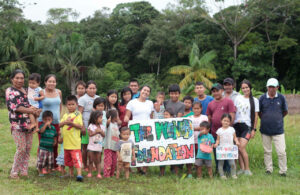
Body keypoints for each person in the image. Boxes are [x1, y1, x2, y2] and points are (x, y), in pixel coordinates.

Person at [6, 69, 40, 179]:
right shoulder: (10, 91)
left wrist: (35, 110)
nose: (20, 80)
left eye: (21, 78)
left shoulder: (25, 91)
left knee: (28, 148)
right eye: (17, 78)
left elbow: (28, 105)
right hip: (17, 125)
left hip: (29, 124)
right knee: (21, 148)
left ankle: (24, 170)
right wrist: (31, 111)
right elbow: (16, 107)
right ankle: (14, 172)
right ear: (12, 79)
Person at [259, 78, 288, 176]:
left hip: (278, 130)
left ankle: (283, 171)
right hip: (265, 130)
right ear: (267, 87)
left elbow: (285, 111)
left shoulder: (281, 98)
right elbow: (259, 113)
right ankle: (269, 169)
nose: (271, 89)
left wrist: (277, 119)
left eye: (273, 87)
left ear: (277, 87)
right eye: (270, 87)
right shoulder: (262, 98)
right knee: (267, 151)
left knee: (281, 152)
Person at [206, 83, 235, 173]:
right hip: (215, 133)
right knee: (217, 153)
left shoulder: (228, 101)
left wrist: (228, 130)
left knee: (227, 152)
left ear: (222, 91)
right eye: (213, 91)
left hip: (227, 133)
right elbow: (209, 118)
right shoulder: (210, 104)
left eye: (217, 91)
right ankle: (219, 171)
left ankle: (228, 171)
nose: (215, 93)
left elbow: (232, 116)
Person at [124, 85, 154, 174]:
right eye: (144, 90)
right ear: (140, 91)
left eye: (148, 91)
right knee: (136, 148)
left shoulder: (150, 103)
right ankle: (138, 168)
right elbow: (127, 115)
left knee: (147, 148)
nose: (145, 92)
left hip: (147, 130)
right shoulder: (132, 102)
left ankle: (145, 169)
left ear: (149, 94)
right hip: (136, 130)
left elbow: (151, 117)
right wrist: (125, 119)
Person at [234, 80, 259, 176]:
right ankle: (242, 169)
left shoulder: (255, 100)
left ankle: (248, 169)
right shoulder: (238, 98)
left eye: (246, 87)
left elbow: (256, 116)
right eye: (243, 88)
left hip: (247, 126)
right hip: (237, 125)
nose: (245, 89)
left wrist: (253, 129)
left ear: (250, 88)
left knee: (241, 147)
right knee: (238, 147)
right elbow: (234, 111)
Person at [38, 74, 62, 168]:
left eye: (54, 81)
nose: (52, 83)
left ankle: (54, 165)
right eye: (50, 81)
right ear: (45, 82)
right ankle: (41, 165)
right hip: (43, 122)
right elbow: (36, 104)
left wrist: (59, 118)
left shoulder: (59, 92)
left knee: (54, 143)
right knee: (43, 143)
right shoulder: (41, 92)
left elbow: (60, 105)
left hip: (56, 122)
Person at [59, 95, 84, 182]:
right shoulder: (65, 115)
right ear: (66, 105)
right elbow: (60, 124)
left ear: (76, 104)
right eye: (69, 104)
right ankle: (70, 173)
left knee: (77, 159)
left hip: (75, 144)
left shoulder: (78, 114)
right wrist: (65, 122)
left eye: (72, 104)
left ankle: (79, 174)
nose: (70, 106)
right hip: (66, 144)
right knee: (68, 160)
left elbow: (80, 126)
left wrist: (72, 124)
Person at [163, 84, 185, 174]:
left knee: (176, 147)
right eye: (172, 93)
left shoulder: (182, 105)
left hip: (176, 129)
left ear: (179, 94)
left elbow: (178, 119)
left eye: (176, 93)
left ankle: (176, 167)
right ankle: (168, 167)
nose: (174, 95)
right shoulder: (166, 102)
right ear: (169, 94)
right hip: (166, 129)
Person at [78, 80, 99, 171]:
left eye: (94, 88)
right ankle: (85, 165)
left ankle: (94, 164)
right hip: (86, 126)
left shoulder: (98, 98)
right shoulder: (83, 99)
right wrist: (82, 126)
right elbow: (79, 113)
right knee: (85, 147)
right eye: (90, 88)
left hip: (96, 127)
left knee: (95, 145)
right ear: (86, 89)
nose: (92, 90)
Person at [214, 114, 240, 179]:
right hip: (222, 149)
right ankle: (222, 175)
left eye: (228, 121)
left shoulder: (232, 129)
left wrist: (237, 141)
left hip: (230, 149)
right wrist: (216, 144)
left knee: (232, 163)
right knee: (221, 163)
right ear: (221, 121)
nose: (226, 122)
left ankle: (233, 174)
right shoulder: (219, 130)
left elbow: (235, 138)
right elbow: (217, 140)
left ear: (230, 122)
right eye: (224, 120)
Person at [187, 102, 208, 178]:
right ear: (192, 109)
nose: (196, 110)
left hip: (201, 141)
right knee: (190, 157)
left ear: (201, 109)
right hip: (190, 141)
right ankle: (189, 172)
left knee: (199, 158)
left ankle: (199, 172)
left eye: (198, 108)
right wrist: (198, 128)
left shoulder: (204, 117)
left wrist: (192, 128)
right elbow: (187, 128)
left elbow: (204, 127)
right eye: (195, 108)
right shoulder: (189, 118)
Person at [36, 111, 57, 176]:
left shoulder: (53, 128)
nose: (47, 121)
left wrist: (55, 141)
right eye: (45, 120)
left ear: (52, 120)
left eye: (49, 120)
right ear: (42, 120)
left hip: (50, 148)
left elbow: (55, 136)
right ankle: (40, 171)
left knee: (50, 161)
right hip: (43, 148)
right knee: (41, 160)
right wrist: (45, 125)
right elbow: (41, 131)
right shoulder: (42, 126)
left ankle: (49, 171)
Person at [87, 111, 105, 179]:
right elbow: (90, 134)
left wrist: (101, 131)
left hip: (99, 146)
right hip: (91, 146)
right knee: (91, 160)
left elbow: (104, 135)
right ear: (95, 118)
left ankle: (98, 173)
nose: (102, 119)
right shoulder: (91, 126)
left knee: (98, 160)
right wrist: (96, 132)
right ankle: (90, 172)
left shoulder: (102, 127)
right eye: (100, 118)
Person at [103, 109, 120, 178]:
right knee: (108, 162)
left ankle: (112, 174)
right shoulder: (108, 124)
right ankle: (107, 175)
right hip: (108, 147)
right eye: (117, 116)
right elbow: (106, 127)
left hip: (115, 147)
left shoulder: (116, 125)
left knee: (114, 162)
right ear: (113, 117)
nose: (118, 117)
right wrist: (108, 122)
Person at [159, 108, 174, 176]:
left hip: (172, 143)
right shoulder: (160, 123)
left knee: (174, 157)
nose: (165, 116)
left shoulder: (174, 123)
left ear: (172, 116)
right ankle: (162, 173)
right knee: (162, 157)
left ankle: (175, 172)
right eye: (164, 114)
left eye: (167, 115)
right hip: (163, 143)